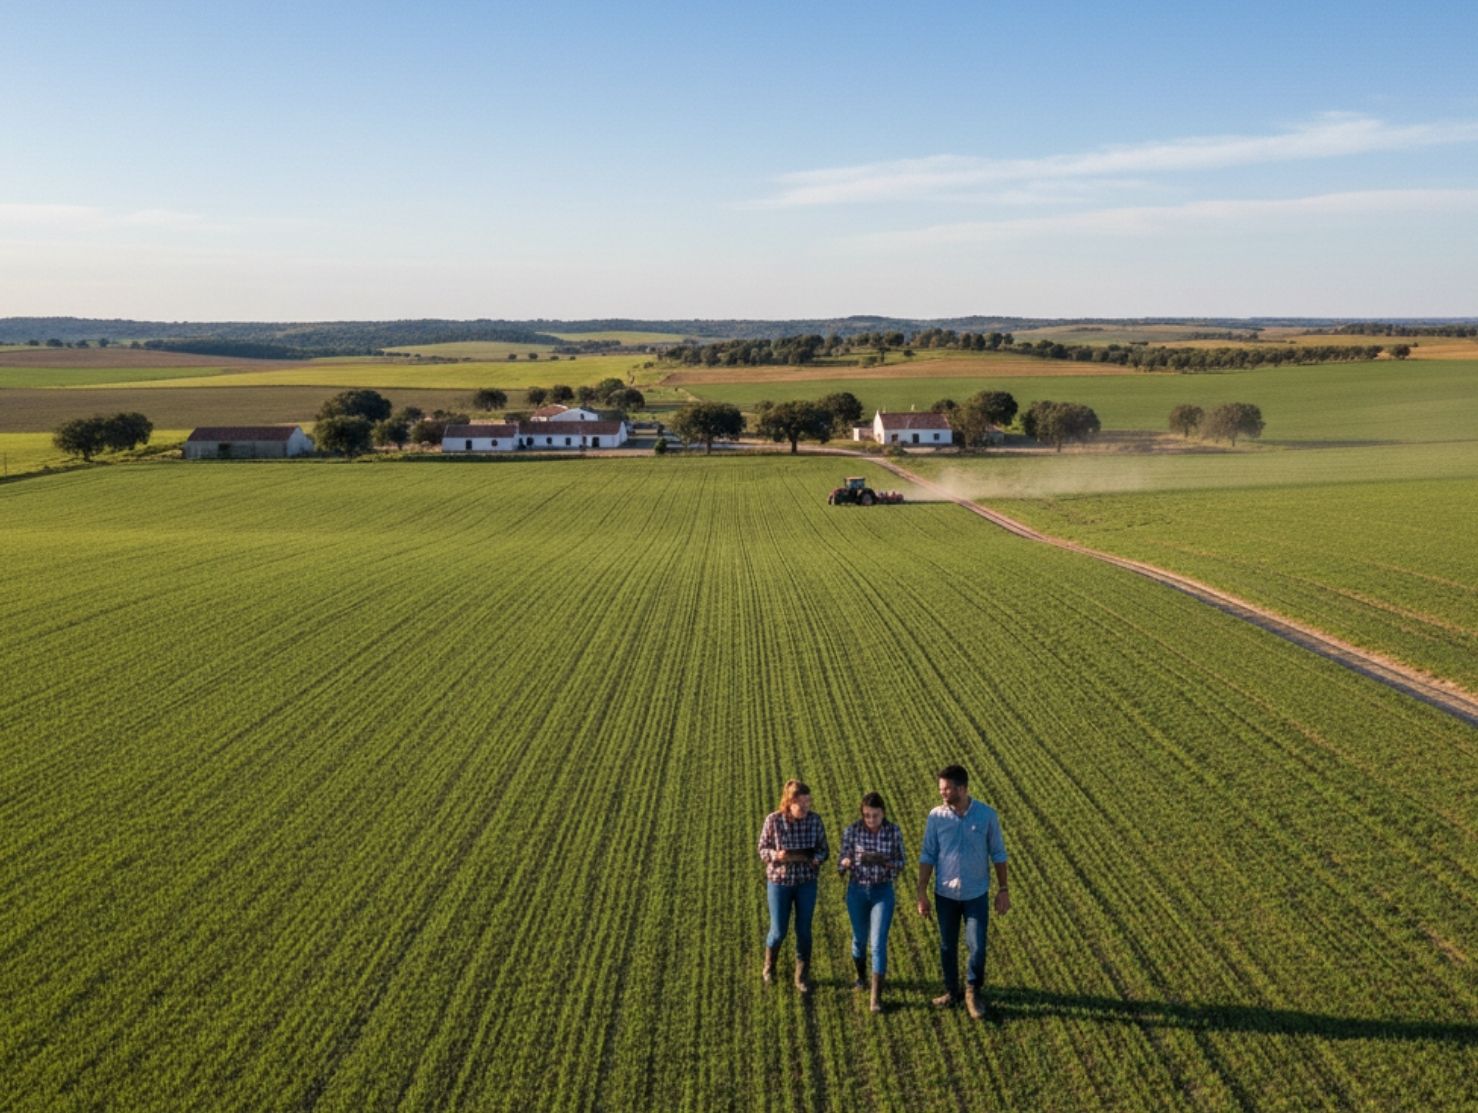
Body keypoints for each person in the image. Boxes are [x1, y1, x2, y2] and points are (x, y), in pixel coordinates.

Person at [916, 764, 1009, 1021]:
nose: (942, 793)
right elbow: (928, 854)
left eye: (947, 788)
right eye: (941, 788)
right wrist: (921, 891)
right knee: (947, 945)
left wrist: (1003, 889)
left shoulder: (986, 816)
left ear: (963, 788)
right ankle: (951, 991)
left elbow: (998, 854)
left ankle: (972, 991)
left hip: (976, 894)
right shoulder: (936, 817)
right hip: (945, 894)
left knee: (976, 945)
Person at [757, 779, 829, 992]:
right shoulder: (773, 821)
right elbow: (762, 849)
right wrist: (776, 855)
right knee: (778, 930)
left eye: (808, 803)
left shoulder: (815, 821)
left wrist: (817, 858)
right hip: (780, 883)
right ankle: (769, 965)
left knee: (804, 930)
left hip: (806, 882)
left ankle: (802, 975)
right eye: (802, 804)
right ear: (789, 803)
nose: (807, 808)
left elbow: (824, 849)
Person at [837, 791, 906, 1013]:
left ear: (883, 813)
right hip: (857, 890)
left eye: (875, 816)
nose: (871, 820)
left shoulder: (893, 831)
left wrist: (889, 864)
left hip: (882, 891)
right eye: (867, 815)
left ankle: (875, 999)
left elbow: (901, 861)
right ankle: (861, 977)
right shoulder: (852, 831)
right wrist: (845, 862)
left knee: (877, 943)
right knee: (859, 939)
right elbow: (841, 861)